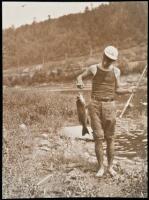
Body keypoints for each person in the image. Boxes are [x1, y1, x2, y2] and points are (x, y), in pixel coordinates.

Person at [76, 46, 136, 177]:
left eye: (111, 60)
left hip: (110, 105)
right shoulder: (93, 68)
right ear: (103, 55)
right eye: (107, 58)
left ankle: (110, 167)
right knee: (98, 138)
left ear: (114, 60)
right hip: (94, 105)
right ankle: (100, 167)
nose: (108, 61)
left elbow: (118, 90)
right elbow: (80, 76)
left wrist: (128, 90)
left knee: (110, 139)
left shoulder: (116, 71)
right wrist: (79, 82)